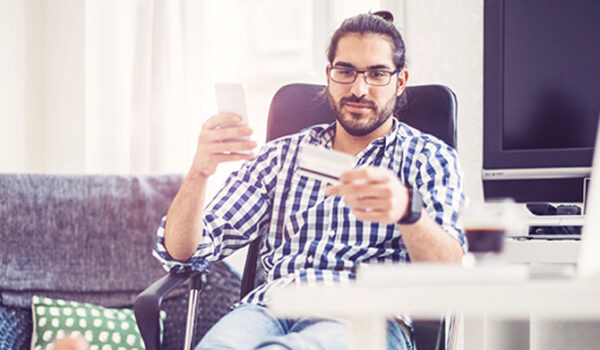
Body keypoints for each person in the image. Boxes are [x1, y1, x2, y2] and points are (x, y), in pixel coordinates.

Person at [154, 10, 466, 350]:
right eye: (346, 71)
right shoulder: (282, 155)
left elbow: (448, 271)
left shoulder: (429, 158)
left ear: (400, 80)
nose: (359, 89)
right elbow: (182, 253)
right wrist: (200, 171)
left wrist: (409, 210)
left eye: (377, 74)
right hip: (269, 308)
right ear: (329, 75)